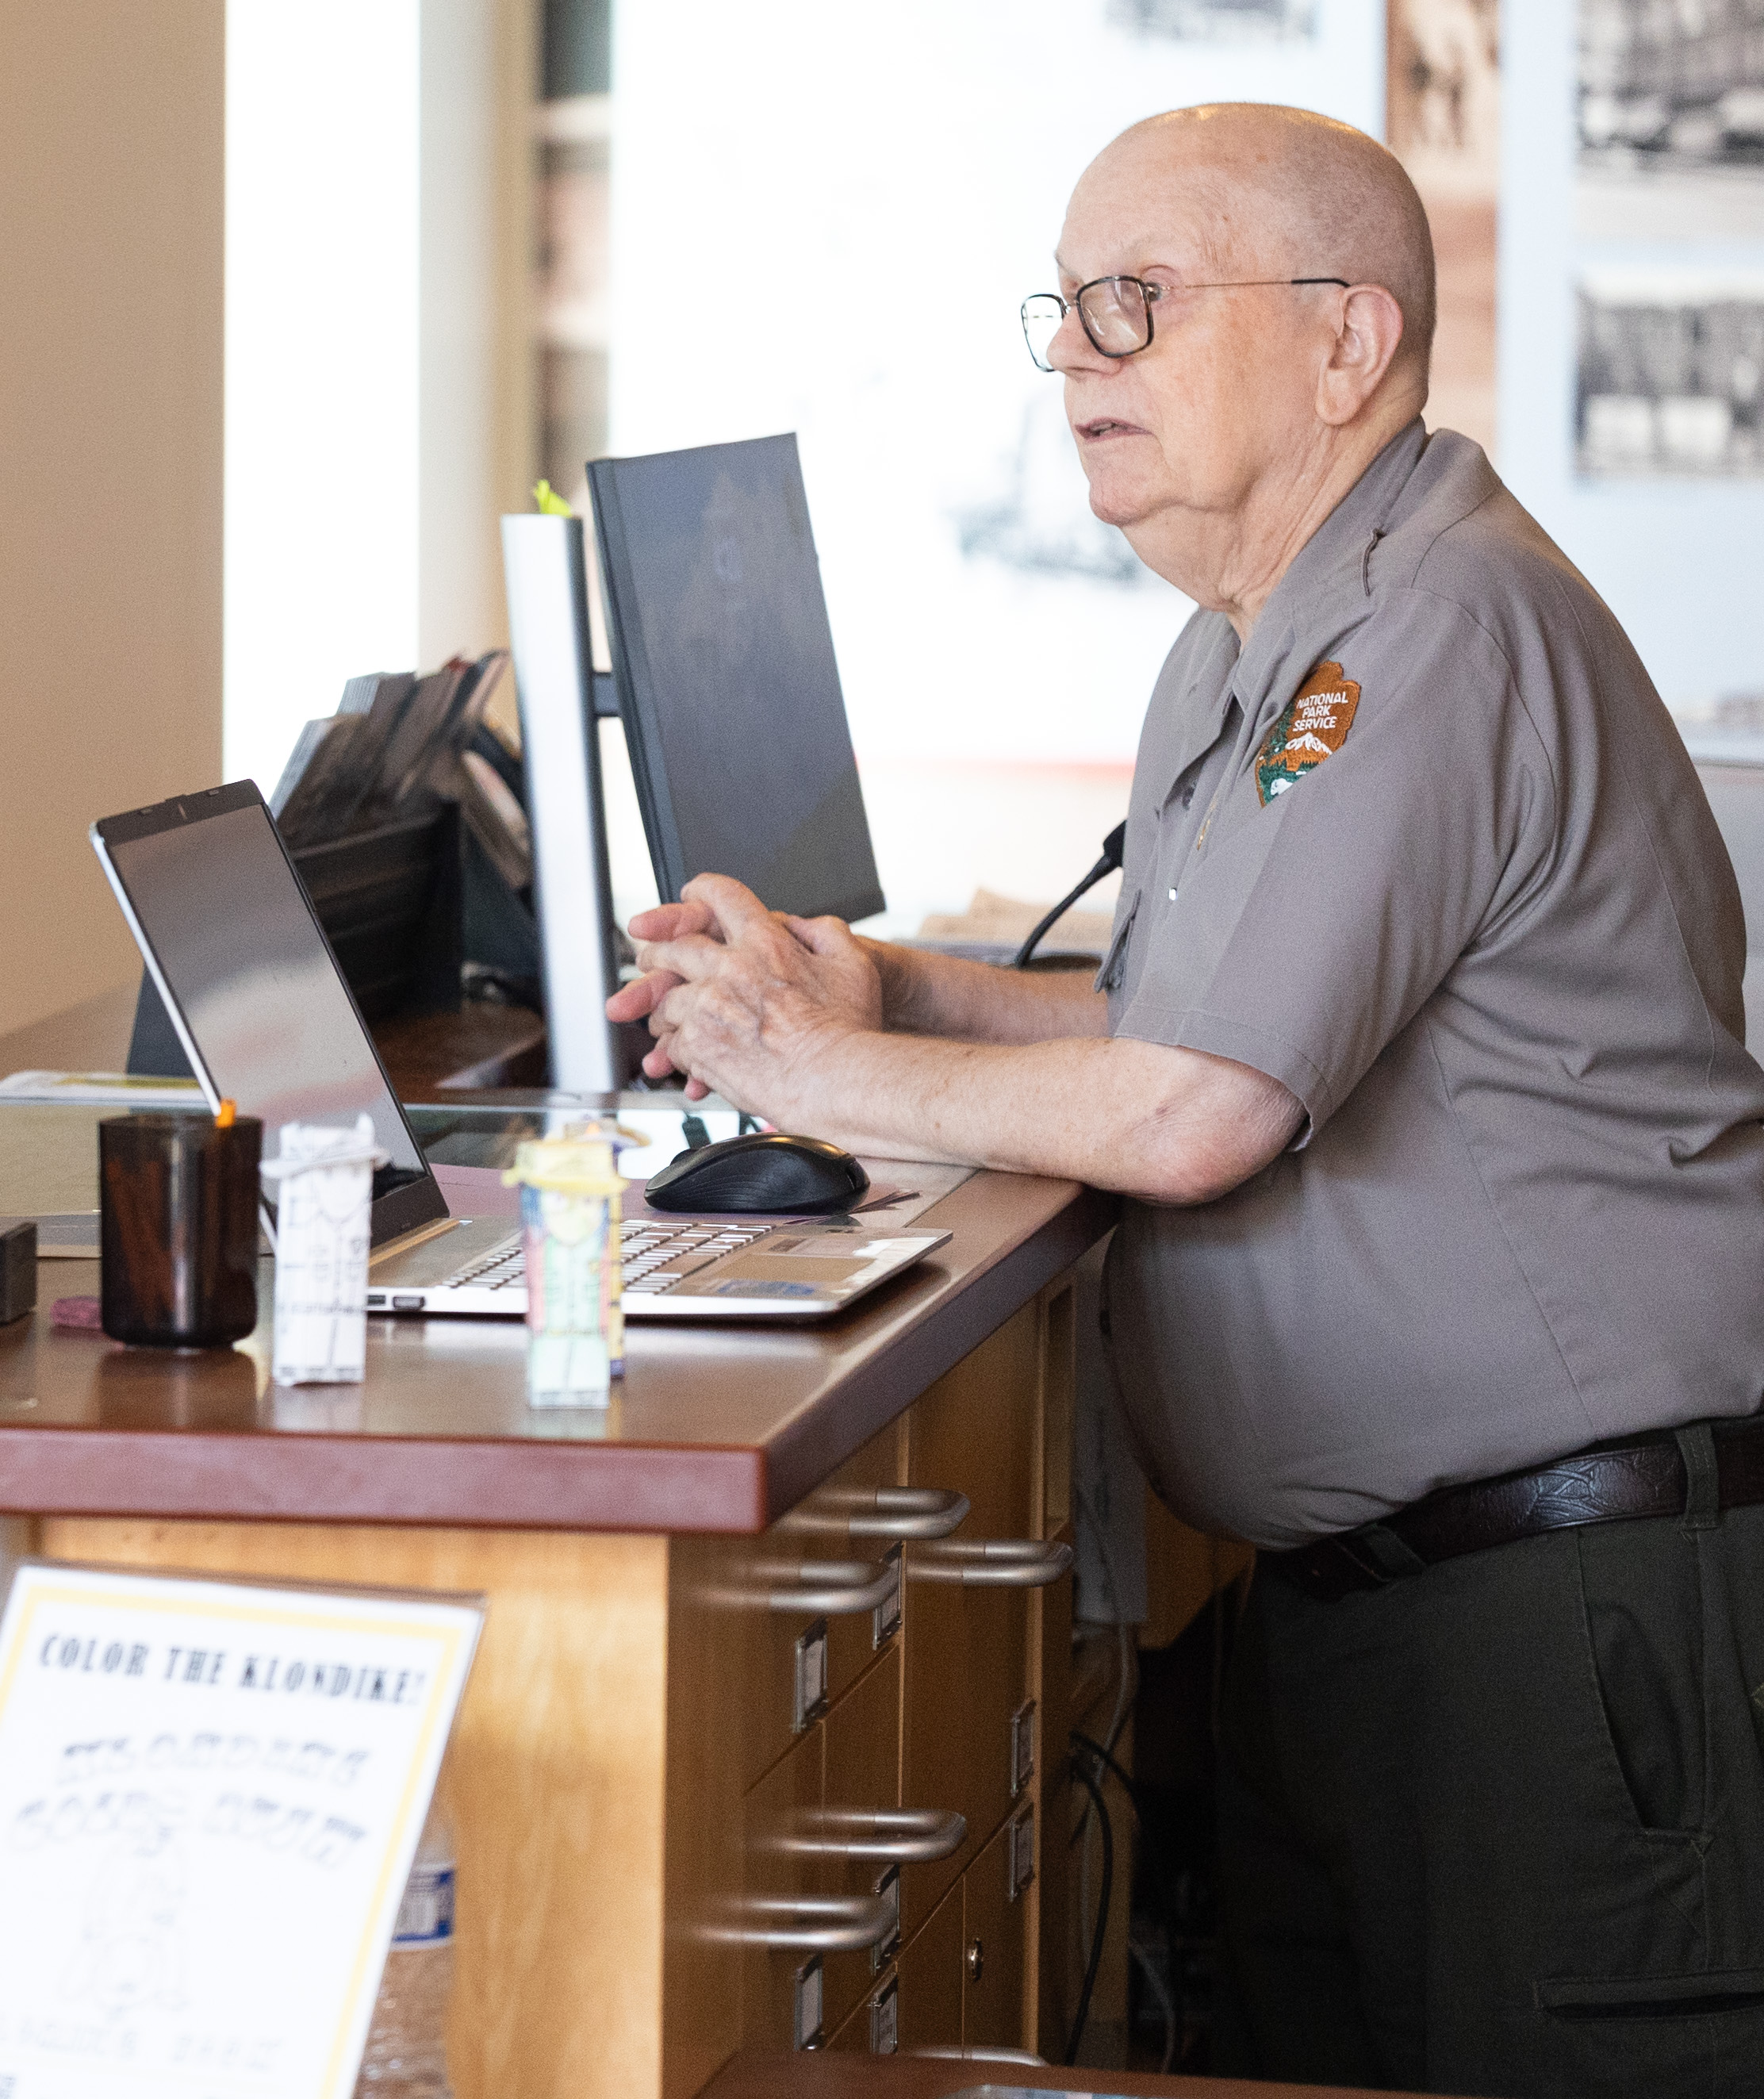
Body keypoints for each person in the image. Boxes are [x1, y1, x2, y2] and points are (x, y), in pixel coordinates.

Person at [612, 102, 1764, 2096]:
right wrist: (886, 991)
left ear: (1350, 342)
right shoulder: (1248, 646)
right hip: (1368, 1608)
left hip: (1565, 1617)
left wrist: (805, 1066)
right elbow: (1161, 1016)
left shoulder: (1433, 629)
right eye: (1067, 310)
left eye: (1140, 303)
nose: (1078, 358)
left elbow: (1206, 1110)